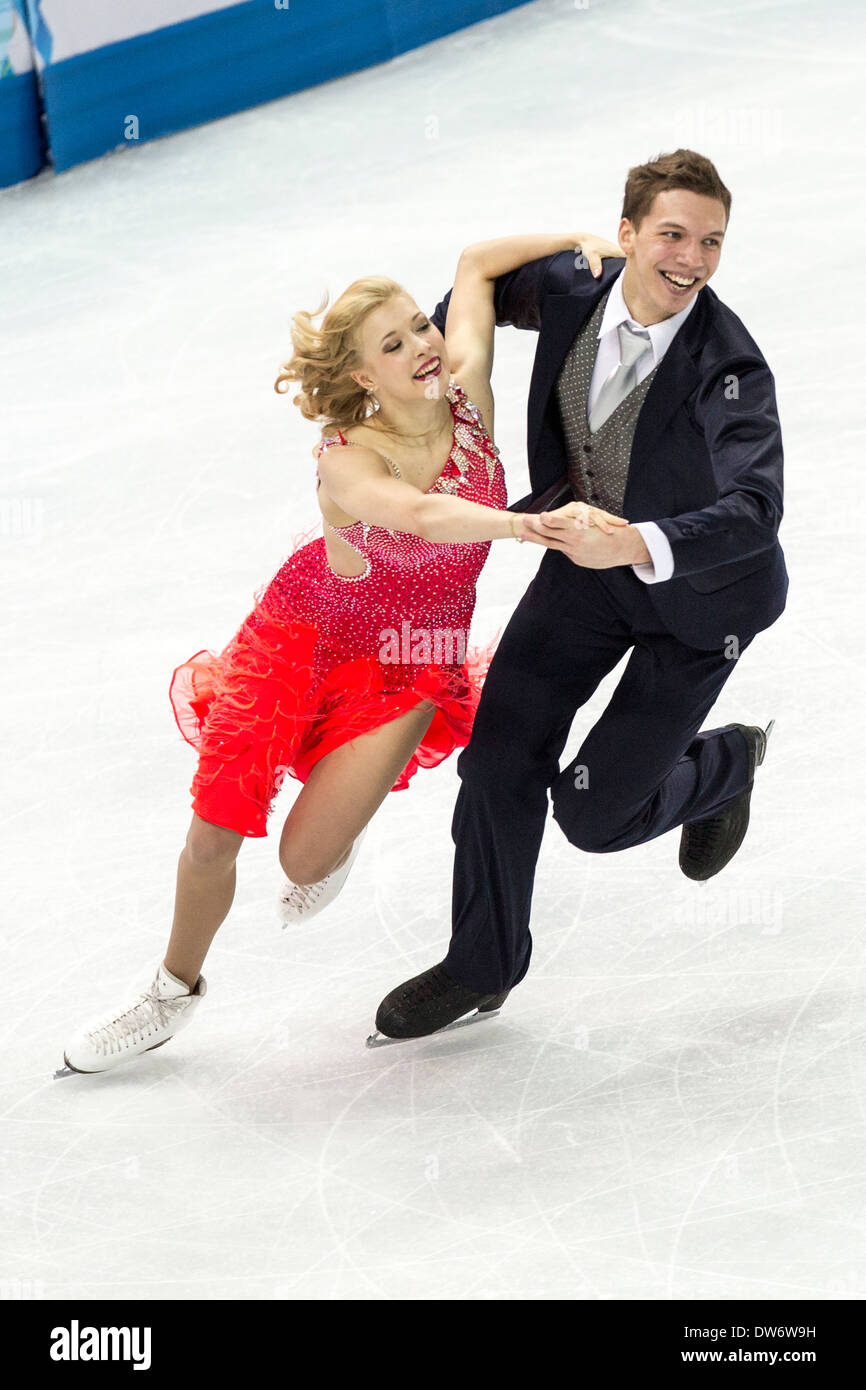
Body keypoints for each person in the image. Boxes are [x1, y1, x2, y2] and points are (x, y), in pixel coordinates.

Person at [58, 230, 625, 1075]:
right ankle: (169, 991)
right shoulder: (348, 459)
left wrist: (578, 239)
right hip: (302, 637)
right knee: (216, 828)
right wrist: (525, 525)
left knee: (304, 859)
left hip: (413, 656)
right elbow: (427, 518)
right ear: (364, 377)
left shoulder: (464, 386)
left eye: (418, 328)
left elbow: (474, 265)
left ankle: (342, 813)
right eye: (392, 346)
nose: (422, 347)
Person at [372, 149, 789, 1044]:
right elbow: (471, 293)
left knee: (597, 817)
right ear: (627, 233)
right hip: (581, 575)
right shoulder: (573, 285)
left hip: (699, 605)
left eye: (712, 243)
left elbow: (757, 508)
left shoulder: (730, 365)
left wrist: (635, 543)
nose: (693, 259)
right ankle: (482, 962)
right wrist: (428, 382)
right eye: (673, 235)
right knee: (495, 763)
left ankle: (724, 769)